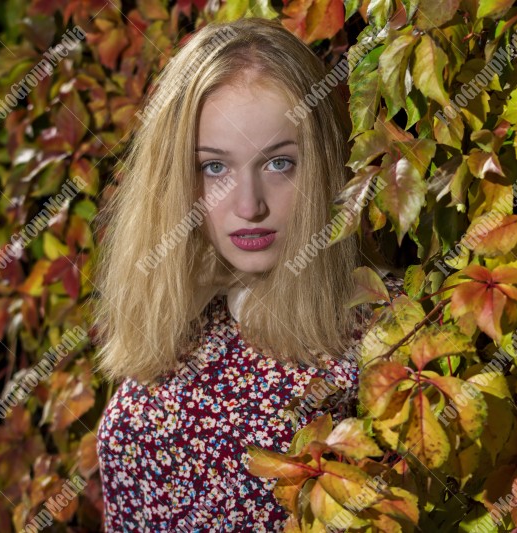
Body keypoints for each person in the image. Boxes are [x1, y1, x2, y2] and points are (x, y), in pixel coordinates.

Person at [91, 17, 402, 532]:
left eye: (279, 163)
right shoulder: (179, 321)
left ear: (323, 163)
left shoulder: (385, 332)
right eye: (215, 167)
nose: (248, 205)